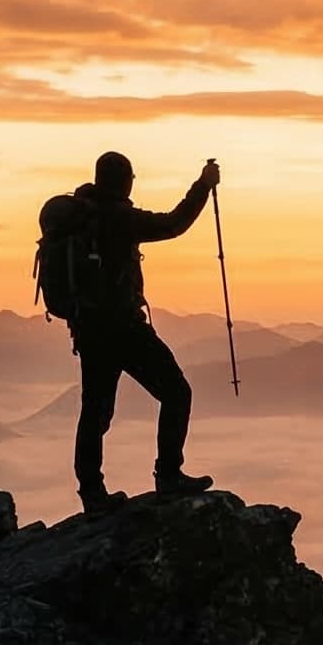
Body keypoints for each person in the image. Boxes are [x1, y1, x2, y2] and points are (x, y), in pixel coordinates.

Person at [69, 151, 220, 513]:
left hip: (89, 331)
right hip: (123, 328)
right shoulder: (120, 217)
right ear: (124, 181)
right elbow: (173, 224)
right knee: (176, 392)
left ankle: (92, 494)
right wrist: (202, 186)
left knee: (95, 411)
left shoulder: (82, 216)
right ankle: (168, 477)